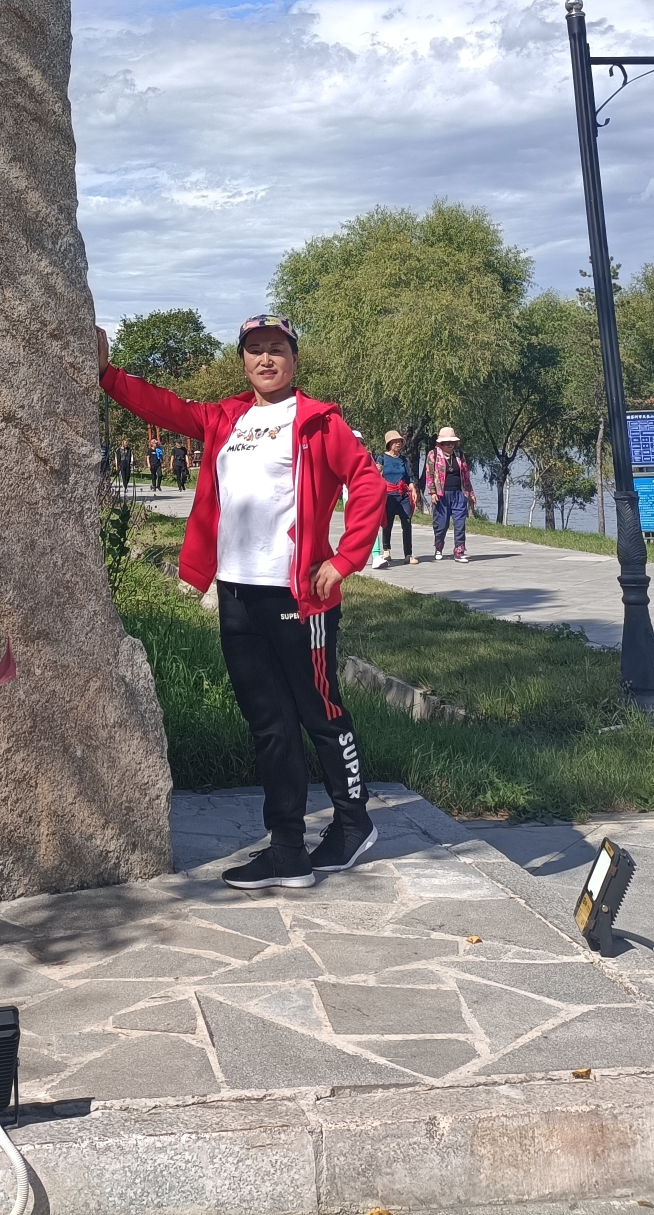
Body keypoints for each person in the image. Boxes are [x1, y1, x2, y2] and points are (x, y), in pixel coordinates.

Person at [98, 312, 385, 888]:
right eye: (255, 350)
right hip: (237, 590)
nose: (266, 359)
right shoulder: (227, 417)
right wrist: (106, 373)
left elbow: (370, 483)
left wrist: (344, 558)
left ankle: (353, 823)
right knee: (269, 723)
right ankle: (287, 848)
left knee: (319, 711)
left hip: (299, 596)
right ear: (244, 360)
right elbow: (166, 409)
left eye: (277, 348)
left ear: (293, 359)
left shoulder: (318, 420)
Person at [424, 426, 474, 561]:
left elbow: (465, 476)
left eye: (452, 442)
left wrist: (470, 493)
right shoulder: (433, 454)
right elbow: (429, 474)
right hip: (441, 495)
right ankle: (439, 547)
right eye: (447, 443)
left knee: (460, 523)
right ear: (441, 443)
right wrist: (432, 492)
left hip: (458, 494)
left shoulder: (460, 455)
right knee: (441, 524)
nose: (450, 445)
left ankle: (459, 550)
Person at [375, 431, 416, 566]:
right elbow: (376, 472)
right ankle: (387, 550)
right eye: (395, 441)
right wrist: (378, 469)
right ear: (389, 444)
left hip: (402, 494)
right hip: (388, 495)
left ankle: (408, 554)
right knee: (388, 523)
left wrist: (413, 488)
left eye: (400, 441)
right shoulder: (382, 458)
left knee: (407, 522)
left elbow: (408, 478)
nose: (398, 443)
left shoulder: (403, 459)